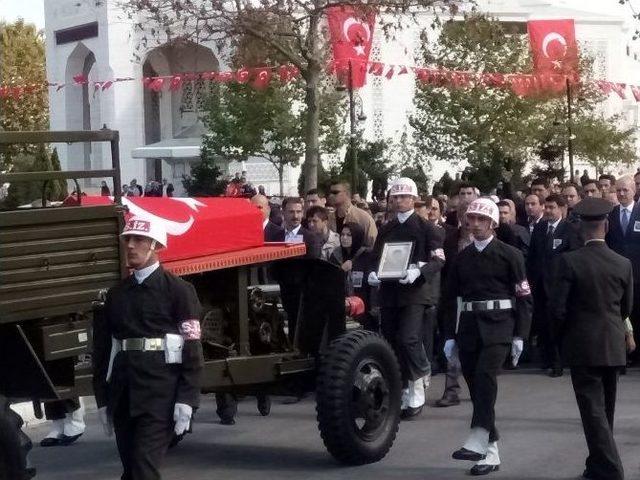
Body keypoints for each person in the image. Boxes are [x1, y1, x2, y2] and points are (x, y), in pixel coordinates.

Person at [93, 216, 204, 480]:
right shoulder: (116, 294)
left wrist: (187, 400)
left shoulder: (179, 291)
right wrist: (101, 399)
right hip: (123, 393)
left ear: (155, 244)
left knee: (144, 469)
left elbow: (192, 348)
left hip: (160, 394)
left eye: (139, 240)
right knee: (131, 470)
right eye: (127, 239)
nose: (130, 245)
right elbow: (102, 350)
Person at [443, 198, 532, 476]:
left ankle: (478, 437)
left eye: (482, 219)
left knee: (485, 378)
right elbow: (449, 299)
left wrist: (520, 335)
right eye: (472, 219)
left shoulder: (510, 255)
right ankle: (489, 452)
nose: (476, 224)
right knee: (477, 386)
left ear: (493, 223)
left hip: (499, 327)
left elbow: (524, 298)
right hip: (469, 327)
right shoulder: (462, 258)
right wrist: (449, 335)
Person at [550, 198, 634, 480]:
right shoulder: (622, 263)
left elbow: (558, 309)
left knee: (593, 411)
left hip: (583, 343)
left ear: (580, 230)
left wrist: (561, 340)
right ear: (607, 226)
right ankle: (597, 464)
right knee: (604, 409)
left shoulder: (569, 262)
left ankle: (611, 469)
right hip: (612, 342)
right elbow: (626, 308)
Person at [368, 178, 444, 419]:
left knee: (409, 338)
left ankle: (419, 378)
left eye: (404, 196)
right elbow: (377, 256)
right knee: (391, 341)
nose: (399, 201)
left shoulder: (427, 228)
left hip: (415, 293)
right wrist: (374, 273)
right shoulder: (386, 228)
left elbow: (439, 260)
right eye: (396, 197)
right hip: (390, 292)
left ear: (413, 199)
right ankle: (402, 388)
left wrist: (418, 272)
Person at [527, 194, 581, 377]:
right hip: (541, 285)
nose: (548, 211)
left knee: (559, 324)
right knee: (543, 323)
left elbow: (574, 258)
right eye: (547, 207)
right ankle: (547, 358)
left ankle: (559, 362)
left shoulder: (570, 230)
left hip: (560, 286)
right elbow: (532, 256)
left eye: (552, 208)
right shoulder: (540, 228)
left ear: (562, 209)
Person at [606, 176, 640, 365]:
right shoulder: (610, 215)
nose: (621, 194)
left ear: (634, 191)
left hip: (638, 275)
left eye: (625, 190)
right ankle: (624, 355)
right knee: (621, 315)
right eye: (618, 190)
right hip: (617, 276)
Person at [328, 180, 378, 249]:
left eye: (335, 192)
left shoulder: (363, 218)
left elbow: (373, 245)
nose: (331, 195)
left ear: (347, 194)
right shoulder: (328, 219)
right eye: (330, 193)